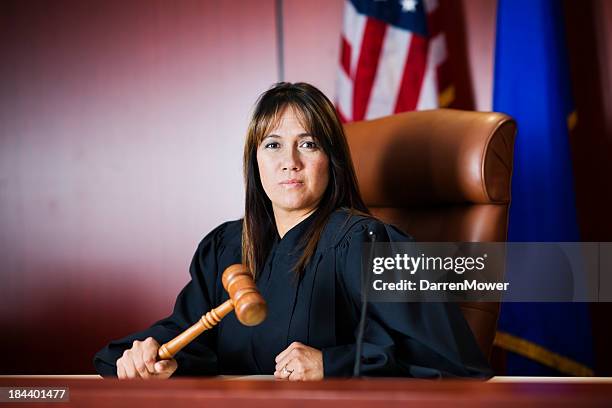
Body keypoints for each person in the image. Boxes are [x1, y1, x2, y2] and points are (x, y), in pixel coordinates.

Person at [93, 82, 492, 380]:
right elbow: (190, 335)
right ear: (255, 162)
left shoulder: (367, 244)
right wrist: (149, 357)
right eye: (272, 145)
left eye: (308, 144)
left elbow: (451, 360)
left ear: (331, 160)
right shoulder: (226, 247)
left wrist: (331, 363)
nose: (290, 162)